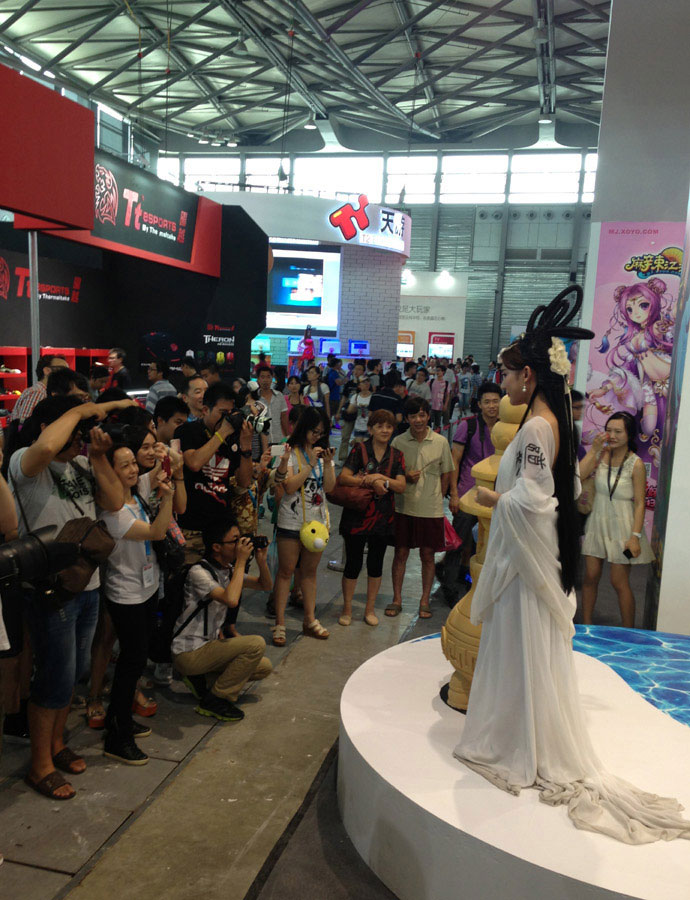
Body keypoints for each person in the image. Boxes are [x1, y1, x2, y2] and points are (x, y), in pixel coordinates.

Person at [454, 286, 690, 843]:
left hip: (524, 562)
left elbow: (535, 501)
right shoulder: (546, 422)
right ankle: (519, 732)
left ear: (528, 377)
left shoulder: (536, 428)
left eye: (508, 374)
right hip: (528, 560)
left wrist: (492, 501)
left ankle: (518, 743)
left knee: (520, 644)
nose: (503, 382)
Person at [9, 395, 133, 800]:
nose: (80, 438)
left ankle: (58, 743)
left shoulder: (82, 463)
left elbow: (116, 503)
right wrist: (79, 410)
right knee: (54, 678)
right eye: (75, 430)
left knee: (75, 670)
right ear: (51, 424)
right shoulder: (25, 462)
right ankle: (40, 765)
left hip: (88, 583)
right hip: (52, 587)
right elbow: (46, 446)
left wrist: (98, 458)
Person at [99, 443, 174, 765]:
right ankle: (116, 735)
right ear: (109, 473)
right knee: (130, 663)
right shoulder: (113, 512)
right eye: (124, 465)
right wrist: (168, 497)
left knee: (136, 659)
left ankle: (123, 721)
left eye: (133, 463)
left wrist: (162, 456)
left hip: (146, 589)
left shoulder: (136, 492)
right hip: (126, 594)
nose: (133, 470)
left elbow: (158, 471)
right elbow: (158, 532)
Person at [172, 517, 272, 722]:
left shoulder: (227, 570)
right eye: (234, 541)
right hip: (189, 651)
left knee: (264, 667)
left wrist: (261, 561)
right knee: (255, 644)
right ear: (216, 547)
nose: (240, 545)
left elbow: (265, 585)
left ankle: (201, 681)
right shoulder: (199, 572)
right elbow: (231, 600)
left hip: (208, 647)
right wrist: (242, 561)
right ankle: (216, 699)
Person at [580, 412, 654, 627]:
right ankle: (586, 626)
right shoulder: (600, 454)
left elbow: (640, 503)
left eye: (618, 431)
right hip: (597, 522)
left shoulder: (636, 464)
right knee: (591, 576)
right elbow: (579, 475)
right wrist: (594, 450)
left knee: (618, 581)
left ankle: (629, 632)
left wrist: (635, 537)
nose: (612, 435)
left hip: (623, 526)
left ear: (629, 434)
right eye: (609, 430)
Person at [271, 408, 336, 647]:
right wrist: (309, 465)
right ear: (303, 428)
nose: (316, 437)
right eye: (313, 431)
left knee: (309, 573)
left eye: (321, 433)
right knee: (286, 572)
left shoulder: (323, 454)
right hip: (291, 519)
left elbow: (329, 488)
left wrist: (327, 464)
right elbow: (288, 486)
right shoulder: (289, 451)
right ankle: (280, 623)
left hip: (317, 523)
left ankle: (309, 620)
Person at [387, 396, 454, 619]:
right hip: (403, 507)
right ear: (407, 418)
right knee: (401, 553)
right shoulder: (398, 442)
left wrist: (439, 496)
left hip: (431, 509)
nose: (418, 420)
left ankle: (424, 600)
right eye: (413, 416)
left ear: (428, 415)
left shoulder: (440, 442)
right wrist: (405, 476)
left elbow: (447, 472)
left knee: (428, 555)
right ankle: (396, 599)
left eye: (422, 415)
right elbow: (391, 473)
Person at [337, 411, 406, 627]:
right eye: (380, 426)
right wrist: (369, 481)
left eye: (388, 426)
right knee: (353, 564)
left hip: (383, 518)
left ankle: (369, 609)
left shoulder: (397, 455)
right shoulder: (359, 450)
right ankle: (347, 608)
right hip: (357, 515)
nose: (385, 430)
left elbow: (401, 486)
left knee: (376, 564)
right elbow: (344, 478)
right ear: (370, 429)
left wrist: (381, 478)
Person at [175, 382, 253, 562]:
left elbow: (244, 482)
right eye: (222, 413)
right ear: (205, 410)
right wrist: (223, 432)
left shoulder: (231, 438)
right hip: (192, 528)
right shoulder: (187, 431)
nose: (227, 419)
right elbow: (194, 463)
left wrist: (246, 447)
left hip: (222, 531)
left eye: (230, 414)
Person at [442, 381, 501, 599]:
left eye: (496, 401)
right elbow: (454, 460)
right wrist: (454, 494)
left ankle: (475, 585)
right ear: (479, 404)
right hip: (468, 493)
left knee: (485, 546)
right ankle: (449, 586)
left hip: (494, 497)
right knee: (458, 542)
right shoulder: (468, 426)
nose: (492, 406)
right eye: (487, 402)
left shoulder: (507, 429)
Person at [10, 355, 68, 424]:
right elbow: (24, 426)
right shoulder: (38, 393)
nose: (67, 373)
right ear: (47, 370)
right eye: (63, 369)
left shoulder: (42, 392)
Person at [335, 361, 365, 462]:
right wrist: (338, 412)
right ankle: (342, 458)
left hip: (360, 415)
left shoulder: (366, 385)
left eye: (359, 369)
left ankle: (356, 459)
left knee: (359, 439)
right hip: (348, 413)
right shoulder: (349, 384)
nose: (357, 371)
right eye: (355, 369)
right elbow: (344, 398)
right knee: (345, 437)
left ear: (363, 372)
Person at [256, 365, 288, 446]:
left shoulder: (279, 395)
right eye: (262, 377)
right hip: (260, 441)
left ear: (272, 378)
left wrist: (287, 436)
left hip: (279, 439)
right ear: (258, 379)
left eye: (268, 377)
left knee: (279, 458)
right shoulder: (255, 398)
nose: (265, 380)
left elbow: (284, 418)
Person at [348, 375, 373, 444]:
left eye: (368, 381)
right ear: (359, 385)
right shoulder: (355, 396)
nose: (367, 383)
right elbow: (349, 410)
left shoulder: (373, 397)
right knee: (359, 449)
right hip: (358, 427)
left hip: (369, 427)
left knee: (366, 448)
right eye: (364, 382)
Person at [430, 363, 451, 433]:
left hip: (440, 406)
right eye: (436, 370)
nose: (437, 372)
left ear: (443, 372)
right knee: (430, 421)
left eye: (439, 370)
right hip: (431, 405)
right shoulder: (431, 381)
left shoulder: (446, 383)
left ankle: (437, 435)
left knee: (438, 422)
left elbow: (448, 395)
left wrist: (445, 405)